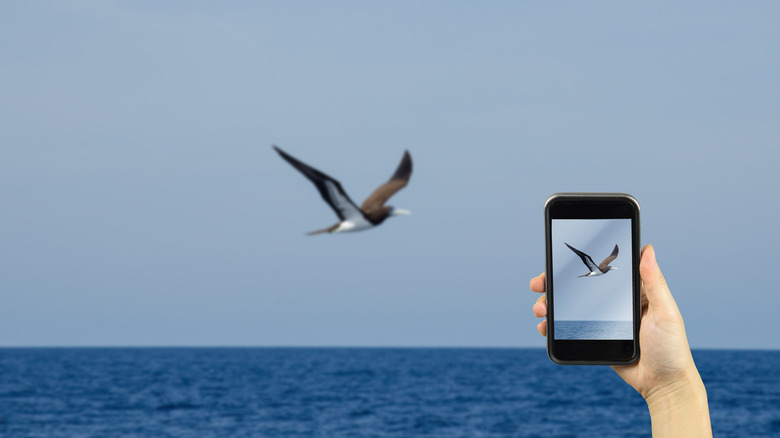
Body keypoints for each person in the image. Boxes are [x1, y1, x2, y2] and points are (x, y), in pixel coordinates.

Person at [530, 245, 713, 437]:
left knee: (612, 257)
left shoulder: (605, 268)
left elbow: (612, 256)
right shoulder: (598, 269)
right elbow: (588, 258)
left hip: (594, 275)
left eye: (609, 267)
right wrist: (669, 389)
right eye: (609, 268)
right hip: (591, 274)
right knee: (591, 260)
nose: (610, 268)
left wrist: (669, 386)